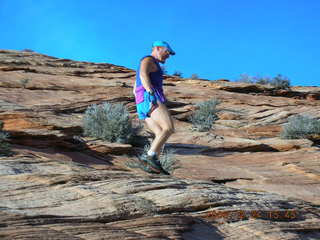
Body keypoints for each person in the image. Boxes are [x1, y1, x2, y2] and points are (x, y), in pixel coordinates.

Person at [133, 40, 175, 174]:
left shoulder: (151, 62)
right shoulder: (148, 59)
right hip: (150, 97)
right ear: (157, 48)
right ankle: (150, 156)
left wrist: (140, 105)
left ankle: (153, 164)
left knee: (159, 133)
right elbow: (143, 75)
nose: (168, 55)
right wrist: (150, 94)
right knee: (168, 128)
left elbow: (135, 88)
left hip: (141, 101)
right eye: (167, 51)